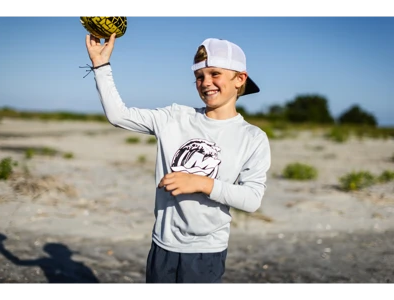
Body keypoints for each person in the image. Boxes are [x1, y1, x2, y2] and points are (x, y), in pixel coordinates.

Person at [84, 33, 271, 287]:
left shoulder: (252, 137)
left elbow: (252, 199)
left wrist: (202, 183)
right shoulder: (174, 118)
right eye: (199, 76)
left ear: (240, 79)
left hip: (207, 251)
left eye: (215, 74)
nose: (206, 83)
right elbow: (119, 115)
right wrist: (100, 66)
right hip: (163, 244)